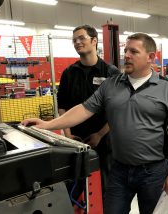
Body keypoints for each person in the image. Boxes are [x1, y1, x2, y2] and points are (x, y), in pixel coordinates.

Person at [22, 33, 168, 214]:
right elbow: (83, 110)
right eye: (126, 50)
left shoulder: (167, 88)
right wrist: (46, 125)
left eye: (134, 51)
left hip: (153, 172)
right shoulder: (111, 85)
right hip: (119, 170)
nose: (127, 55)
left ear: (150, 57)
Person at [57, 25, 120, 194]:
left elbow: (119, 110)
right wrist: (68, 134)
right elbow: (62, 105)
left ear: (94, 41)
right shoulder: (69, 73)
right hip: (75, 140)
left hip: (105, 140)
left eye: (81, 38)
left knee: (105, 187)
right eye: (74, 40)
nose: (77, 42)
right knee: (74, 186)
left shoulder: (111, 72)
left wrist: (100, 134)